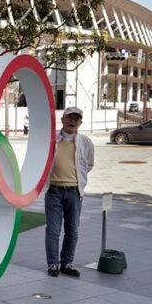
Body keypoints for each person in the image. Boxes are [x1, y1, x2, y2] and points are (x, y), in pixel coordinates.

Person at [45, 106, 94, 278]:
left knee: (72, 230)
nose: (73, 121)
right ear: (62, 120)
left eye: (77, 119)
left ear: (80, 122)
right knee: (53, 230)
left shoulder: (85, 142)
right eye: (70, 118)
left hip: (74, 191)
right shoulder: (52, 140)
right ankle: (53, 264)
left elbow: (89, 164)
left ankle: (67, 263)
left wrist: (77, 179)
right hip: (53, 191)